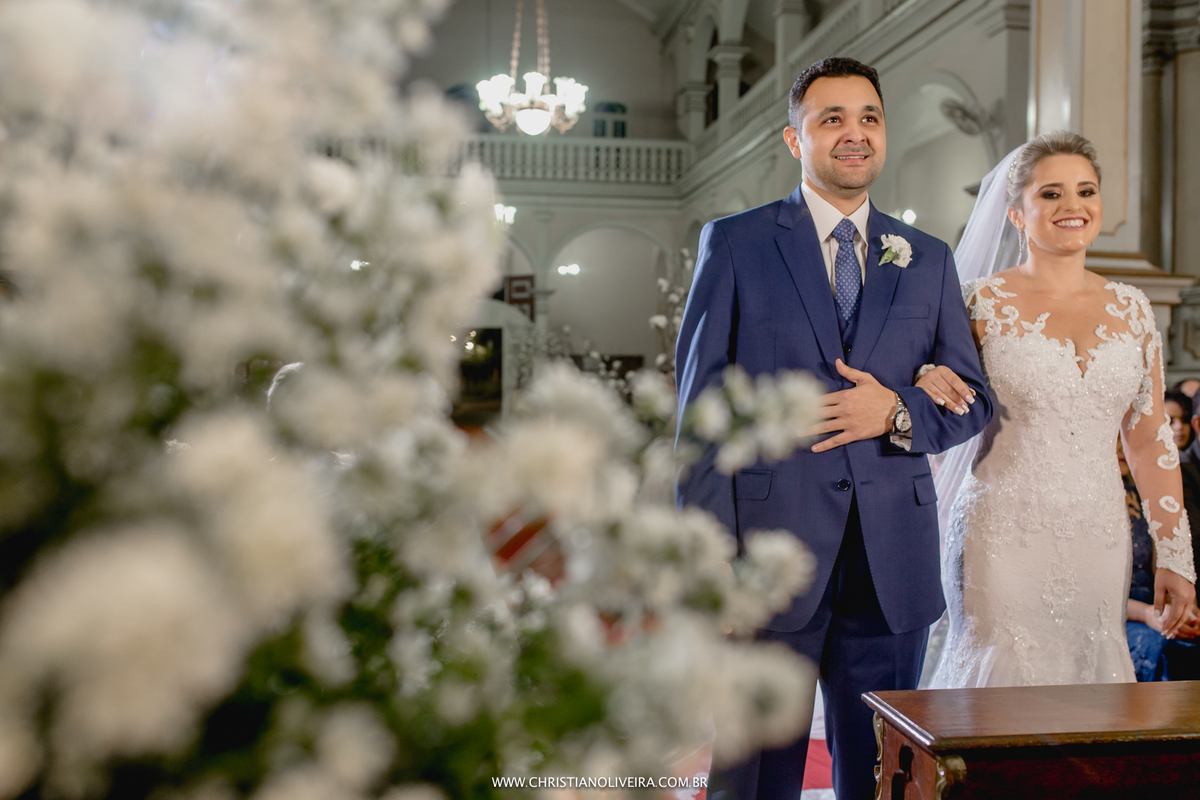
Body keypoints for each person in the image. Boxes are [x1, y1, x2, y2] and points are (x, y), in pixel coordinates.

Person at [674, 57, 992, 800]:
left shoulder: (928, 260)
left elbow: (972, 401)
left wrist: (898, 411)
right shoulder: (737, 243)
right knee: (754, 769)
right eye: (832, 119)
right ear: (796, 140)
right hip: (767, 551)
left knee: (882, 770)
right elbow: (701, 415)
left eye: (869, 118)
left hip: (891, 560)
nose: (855, 134)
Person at [917, 131, 1196, 688]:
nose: (1073, 206)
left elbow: (1148, 441)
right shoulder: (976, 302)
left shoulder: (1134, 311)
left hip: (1099, 535)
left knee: (1090, 686)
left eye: (1085, 191)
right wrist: (926, 376)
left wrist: (1175, 556)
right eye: (1050, 194)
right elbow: (934, 406)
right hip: (1000, 531)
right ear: (1017, 214)